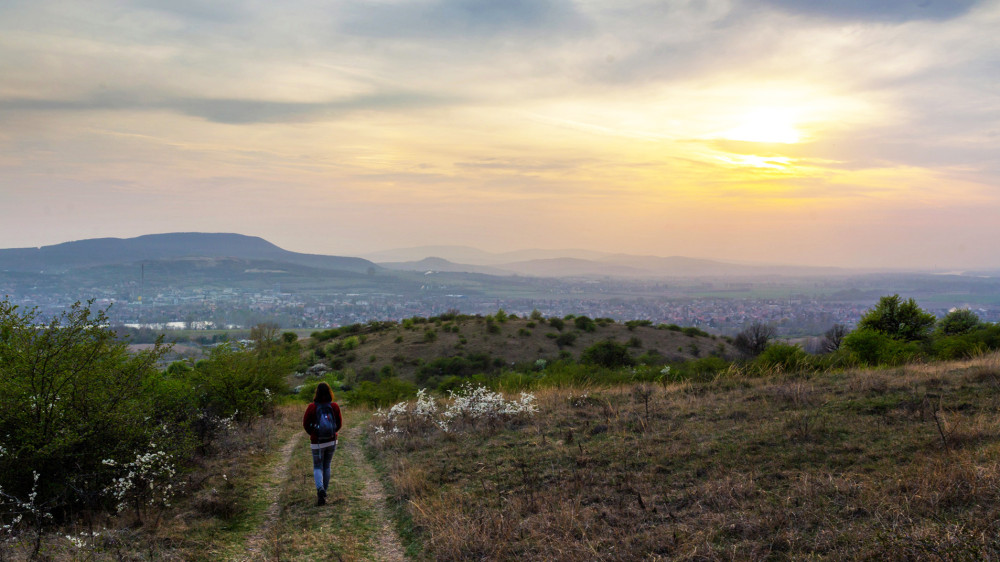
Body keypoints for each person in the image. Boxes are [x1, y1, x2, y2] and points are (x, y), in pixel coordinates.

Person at [303, 382, 342, 506]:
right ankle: (324, 492)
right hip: (331, 440)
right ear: (330, 392)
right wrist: (332, 433)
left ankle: (320, 490)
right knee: (327, 466)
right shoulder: (334, 406)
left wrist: (313, 434)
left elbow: (305, 423)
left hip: (317, 442)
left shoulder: (312, 407)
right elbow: (339, 424)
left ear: (317, 393)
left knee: (317, 466)